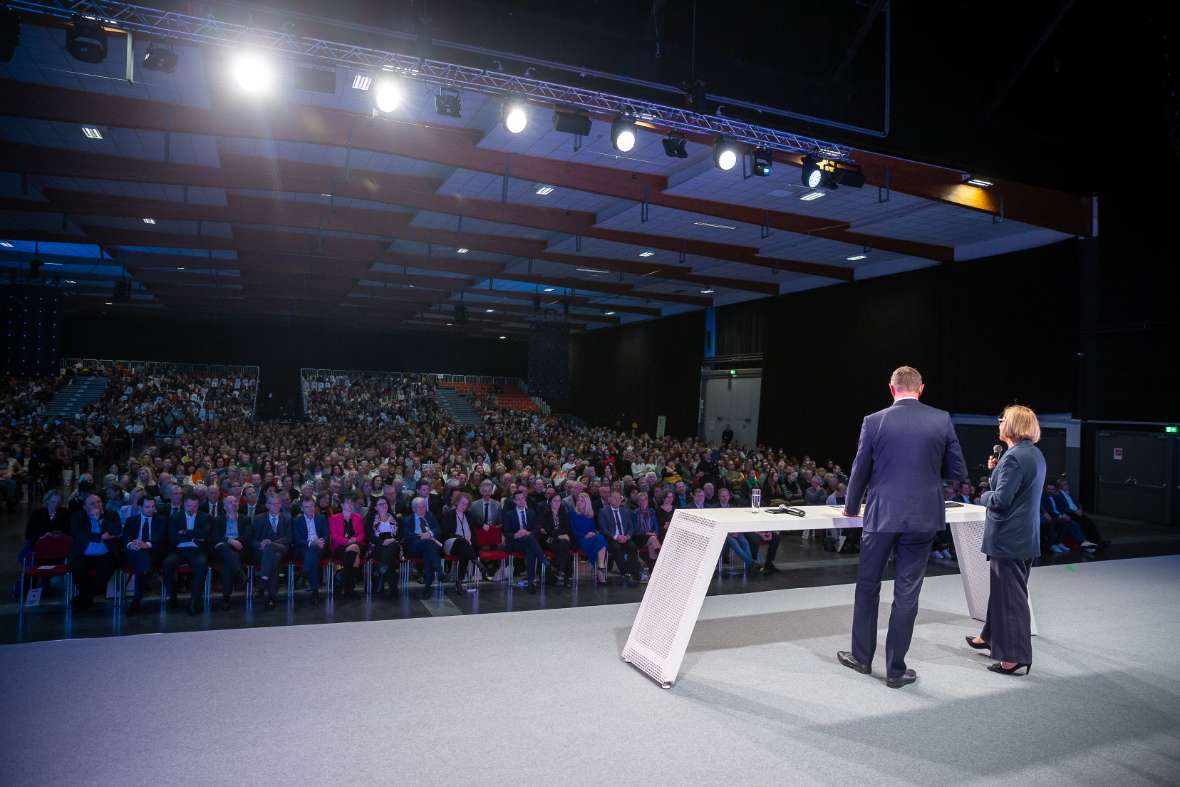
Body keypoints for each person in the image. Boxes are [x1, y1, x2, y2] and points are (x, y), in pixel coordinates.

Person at [838, 366, 967, 689]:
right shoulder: (941, 419)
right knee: (907, 592)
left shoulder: (874, 421)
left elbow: (860, 470)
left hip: (882, 516)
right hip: (923, 516)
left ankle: (862, 658)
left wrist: (852, 507)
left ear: (891, 389)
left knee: (868, 586)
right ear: (921, 388)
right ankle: (896, 671)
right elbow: (957, 470)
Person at [965, 405, 1044, 676]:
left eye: (1002, 420)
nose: (999, 424)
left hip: (1008, 538)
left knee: (1011, 598)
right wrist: (996, 473)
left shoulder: (1013, 458)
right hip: (1025, 537)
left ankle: (1015, 656)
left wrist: (982, 495)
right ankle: (988, 637)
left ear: (1012, 425)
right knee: (1004, 593)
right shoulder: (1032, 454)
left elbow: (999, 501)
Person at [68, 493, 122, 611]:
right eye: (92, 503)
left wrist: (100, 520)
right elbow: (79, 534)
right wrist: (100, 537)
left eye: (98, 502)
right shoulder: (78, 516)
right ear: (85, 507)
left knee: (101, 578)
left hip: (106, 554)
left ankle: (84, 598)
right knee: (78, 571)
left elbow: (116, 530)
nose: (97, 505)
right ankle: (85, 599)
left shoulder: (111, 514)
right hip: (83, 554)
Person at [163, 492, 211, 615]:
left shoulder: (205, 517)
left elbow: (205, 535)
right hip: (179, 550)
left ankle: (194, 601)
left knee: (202, 564)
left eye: (195, 506)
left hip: (196, 550)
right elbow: (173, 537)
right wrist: (194, 535)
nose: (192, 509)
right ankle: (172, 598)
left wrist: (184, 532)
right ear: (184, 504)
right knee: (168, 564)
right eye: (189, 506)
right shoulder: (175, 517)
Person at [122, 495, 166, 613]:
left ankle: (136, 601)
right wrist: (131, 544)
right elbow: (125, 538)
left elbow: (160, 538)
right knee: (141, 557)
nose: (151, 509)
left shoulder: (161, 520)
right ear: (140, 507)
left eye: (153, 506)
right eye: (147, 507)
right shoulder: (131, 520)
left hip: (153, 552)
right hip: (135, 551)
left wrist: (146, 544)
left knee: (141, 563)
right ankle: (149, 573)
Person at [500, 488, 549, 593]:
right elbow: (506, 532)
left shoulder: (531, 512)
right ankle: (542, 558)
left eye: (523, 499)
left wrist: (528, 533)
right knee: (530, 541)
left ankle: (531, 583)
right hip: (515, 543)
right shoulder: (509, 514)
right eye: (518, 499)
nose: (521, 501)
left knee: (530, 549)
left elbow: (536, 529)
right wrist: (516, 534)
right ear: (514, 501)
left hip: (528, 543)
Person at [212, 494, 252, 610]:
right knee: (226, 549)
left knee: (228, 563)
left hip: (239, 550)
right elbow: (215, 537)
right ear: (224, 507)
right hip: (223, 550)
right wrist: (230, 541)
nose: (234, 504)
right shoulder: (218, 519)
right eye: (230, 502)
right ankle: (240, 574)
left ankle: (226, 598)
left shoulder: (245, 519)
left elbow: (247, 537)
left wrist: (234, 542)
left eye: (236, 502)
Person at [254, 493, 292, 609]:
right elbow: (252, 539)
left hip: (283, 548)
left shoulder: (287, 518)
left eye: (277, 504)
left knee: (271, 548)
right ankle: (271, 596)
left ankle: (263, 582)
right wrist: (260, 544)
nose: (275, 506)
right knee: (274, 559)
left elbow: (289, 538)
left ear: (280, 505)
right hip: (265, 552)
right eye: (272, 504)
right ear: (267, 505)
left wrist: (271, 544)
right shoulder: (258, 519)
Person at [401, 496, 443, 598]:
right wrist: (421, 536)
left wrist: (430, 533)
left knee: (428, 551)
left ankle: (428, 588)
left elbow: (438, 529)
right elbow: (406, 535)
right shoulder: (408, 519)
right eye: (420, 507)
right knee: (428, 546)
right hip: (414, 546)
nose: (423, 509)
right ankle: (439, 570)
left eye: (424, 506)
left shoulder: (430, 516)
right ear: (413, 508)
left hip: (429, 546)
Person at [440, 492, 480, 593]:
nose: (464, 506)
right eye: (462, 503)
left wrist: (484, 525)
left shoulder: (469, 515)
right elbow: (446, 532)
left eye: (466, 504)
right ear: (457, 502)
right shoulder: (449, 514)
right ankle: (475, 560)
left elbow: (478, 523)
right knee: (462, 542)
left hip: (466, 546)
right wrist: (460, 538)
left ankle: (459, 582)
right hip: (451, 544)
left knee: (464, 551)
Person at [293, 495, 329, 606]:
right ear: (302, 508)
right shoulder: (297, 521)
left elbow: (326, 535)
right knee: (313, 556)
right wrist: (312, 543)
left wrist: (322, 542)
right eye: (307, 507)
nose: (310, 509)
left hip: (320, 547)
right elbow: (297, 540)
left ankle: (303, 574)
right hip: (303, 549)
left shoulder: (321, 518)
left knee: (313, 552)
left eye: (312, 506)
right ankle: (315, 593)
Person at [598, 490, 640, 586]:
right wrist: (616, 537)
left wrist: (627, 536)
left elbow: (631, 527)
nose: (617, 500)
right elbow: (603, 529)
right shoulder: (603, 511)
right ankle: (625, 573)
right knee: (616, 548)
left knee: (632, 547)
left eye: (619, 498)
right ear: (609, 499)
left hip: (625, 538)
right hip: (612, 538)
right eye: (614, 498)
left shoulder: (626, 511)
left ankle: (634, 574)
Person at [1051, 478, 1108, 549]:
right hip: (1070, 513)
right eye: (1065, 484)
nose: (1067, 486)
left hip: (1077, 512)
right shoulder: (1058, 495)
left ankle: (1099, 541)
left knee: (1089, 522)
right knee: (1082, 523)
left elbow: (1077, 503)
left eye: (1067, 484)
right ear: (1060, 486)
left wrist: (1080, 509)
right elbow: (1063, 508)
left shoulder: (1068, 493)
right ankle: (1089, 543)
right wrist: (1075, 511)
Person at [329, 495, 366, 597]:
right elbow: (335, 536)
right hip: (340, 547)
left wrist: (355, 540)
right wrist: (348, 542)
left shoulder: (357, 517)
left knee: (354, 548)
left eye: (351, 503)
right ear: (341, 505)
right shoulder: (334, 518)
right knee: (354, 556)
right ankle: (350, 588)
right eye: (347, 503)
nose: (350, 505)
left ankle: (343, 583)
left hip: (356, 544)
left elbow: (362, 534)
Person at [366, 495, 402, 596]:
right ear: (375, 507)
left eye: (385, 503)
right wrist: (381, 542)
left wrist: (393, 539)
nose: (383, 506)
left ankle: (379, 571)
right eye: (380, 504)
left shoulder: (393, 517)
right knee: (390, 559)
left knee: (392, 547)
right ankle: (393, 589)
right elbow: (369, 534)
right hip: (377, 545)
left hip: (393, 543)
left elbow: (400, 533)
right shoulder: (371, 518)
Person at [570, 492, 609, 583]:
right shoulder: (572, 514)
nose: (579, 502)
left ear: (587, 503)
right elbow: (572, 530)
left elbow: (592, 529)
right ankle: (600, 569)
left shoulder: (590, 516)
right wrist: (585, 535)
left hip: (590, 539)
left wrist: (592, 533)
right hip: (578, 540)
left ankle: (600, 567)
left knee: (600, 538)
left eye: (582, 501)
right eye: (578, 500)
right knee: (600, 541)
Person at [536, 492, 572, 586]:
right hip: (548, 538)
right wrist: (558, 535)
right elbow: (545, 529)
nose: (557, 503)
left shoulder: (563, 513)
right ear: (550, 502)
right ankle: (565, 576)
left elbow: (567, 527)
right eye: (555, 501)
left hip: (562, 538)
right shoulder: (545, 513)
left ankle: (559, 570)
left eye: (559, 501)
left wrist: (563, 535)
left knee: (564, 544)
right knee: (565, 546)